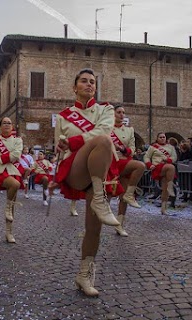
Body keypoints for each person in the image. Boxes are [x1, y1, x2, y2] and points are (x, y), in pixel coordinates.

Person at [53, 68, 119, 297]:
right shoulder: (63, 116)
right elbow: (59, 149)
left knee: (93, 229)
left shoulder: (106, 110)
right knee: (101, 140)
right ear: (75, 87)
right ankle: (101, 200)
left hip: (98, 174)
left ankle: (84, 274)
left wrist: (73, 140)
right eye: (84, 81)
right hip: (75, 170)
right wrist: (62, 147)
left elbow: (105, 129)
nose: (89, 84)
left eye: (92, 82)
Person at [110, 105, 145, 236]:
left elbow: (132, 148)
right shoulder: (106, 128)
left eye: (123, 113)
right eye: (119, 112)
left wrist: (123, 149)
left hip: (125, 162)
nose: (121, 115)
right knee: (104, 197)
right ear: (113, 114)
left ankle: (119, 225)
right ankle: (92, 227)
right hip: (111, 162)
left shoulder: (129, 130)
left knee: (123, 197)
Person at [0, 117, 24, 243]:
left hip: (14, 170)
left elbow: (16, 156)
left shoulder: (18, 141)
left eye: (9, 123)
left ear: (12, 126)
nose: (7, 125)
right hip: (1, 172)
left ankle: (9, 233)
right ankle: (7, 207)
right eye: (4, 123)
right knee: (15, 185)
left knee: (13, 204)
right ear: (0, 126)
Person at [143, 132, 177, 215]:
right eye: (160, 137)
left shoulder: (171, 147)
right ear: (157, 138)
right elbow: (146, 156)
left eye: (164, 137)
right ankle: (170, 185)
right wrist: (149, 165)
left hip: (167, 168)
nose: (162, 138)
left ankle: (163, 209)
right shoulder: (153, 147)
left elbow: (174, 157)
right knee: (171, 167)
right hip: (157, 167)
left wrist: (168, 160)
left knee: (165, 190)